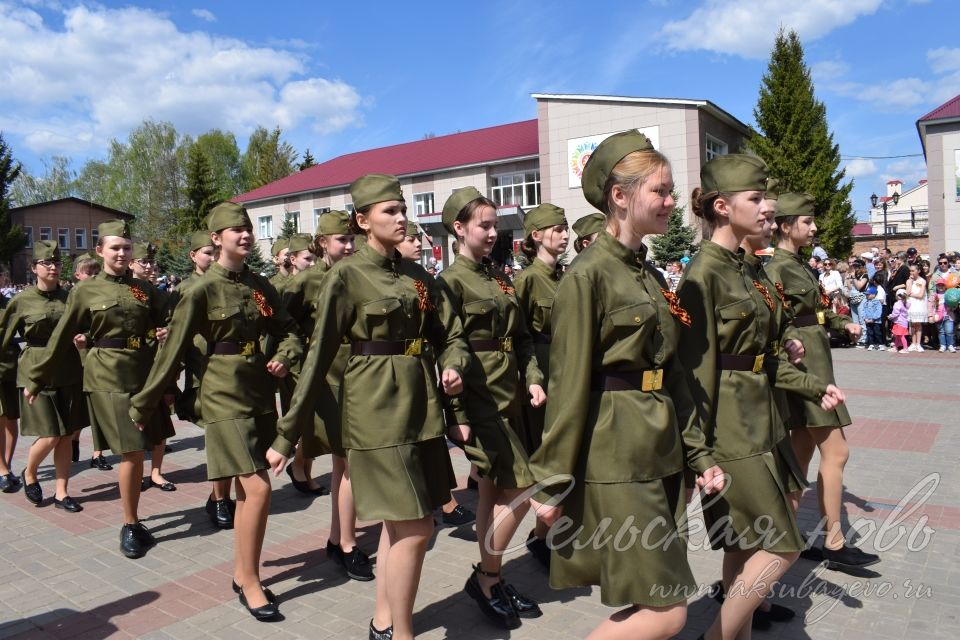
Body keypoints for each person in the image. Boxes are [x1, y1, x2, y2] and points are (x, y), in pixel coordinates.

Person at [529, 130, 723, 640]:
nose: (671, 201)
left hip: (659, 449)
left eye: (670, 190)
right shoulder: (587, 276)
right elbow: (567, 383)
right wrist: (551, 482)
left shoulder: (651, 274)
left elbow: (673, 372)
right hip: (616, 452)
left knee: (648, 598)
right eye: (659, 190)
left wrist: (699, 455)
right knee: (666, 611)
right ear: (621, 195)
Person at [267, 174, 469, 640]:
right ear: (363, 221)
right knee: (419, 526)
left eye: (403, 210)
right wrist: (287, 434)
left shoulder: (419, 276)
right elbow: (317, 357)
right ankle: (401, 633)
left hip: (422, 409)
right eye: (390, 212)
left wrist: (454, 364)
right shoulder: (346, 275)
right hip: (375, 411)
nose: (402, 218)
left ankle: (382, 622)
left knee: (402, 529)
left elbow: (450, 334)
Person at [679, 163, 846, 640]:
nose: (765, 211)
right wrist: (698, 451)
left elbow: (760, 357)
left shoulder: (745, 268)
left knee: (742, 544)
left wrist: (814, 385)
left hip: (764, 417)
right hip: (729, 428)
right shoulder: (702, 274)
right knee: (783, 546)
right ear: (722, 207)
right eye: (754, 199)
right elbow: (692, 371)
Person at [130, 202, 301, 620]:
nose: (244, 234)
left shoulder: (261, 286)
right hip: (222, 394)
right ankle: (251, 580)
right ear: (216, 238)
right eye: (234, 229)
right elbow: (173, 351)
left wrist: (284, 354)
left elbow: (290, 332)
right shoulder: (199, 289)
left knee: (248, 493)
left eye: (247, 228)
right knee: (259, 489)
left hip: (260, 392)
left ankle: (243, 574)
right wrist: (146, 401)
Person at [23, 220, 170, 559]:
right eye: (115, 247)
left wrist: (164, 332)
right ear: (100, 250)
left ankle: (134, 520)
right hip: (107, 377)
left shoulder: (143, 290)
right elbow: (61, 336)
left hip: (142, 374)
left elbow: (174, 315)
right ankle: (130, 523)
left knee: (141, 448)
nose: (121, 253)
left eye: (126, 248)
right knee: (132, 450)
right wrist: (38, 377)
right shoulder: (85, 291)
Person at [436, 187, 547, 630]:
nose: (491, 231)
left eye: (494, 224)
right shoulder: (450, 282)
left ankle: (493, 577)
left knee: (491, 493)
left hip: (511, 395)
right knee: (521, 491)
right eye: (483, 224)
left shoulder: (501, 277)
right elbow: (447, 350)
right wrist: (456, 417)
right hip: (478, 401)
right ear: (459, 229)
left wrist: (534, 378)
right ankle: (486, 576)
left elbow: (521, 338)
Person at [765, 193, 878, 573]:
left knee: (799, 456)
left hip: (816, 364)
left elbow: (814, 310)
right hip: (805, 371)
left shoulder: (796, 264)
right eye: (807, 221)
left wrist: (839, 323)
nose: (814, 228)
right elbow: (774, 322)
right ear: (785, 225)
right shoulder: (774, 267)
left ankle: (786, 535)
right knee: (837, 452)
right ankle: (834, 541)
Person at [279, 210, 377, 580]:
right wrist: (290, 355)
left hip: (361, 378)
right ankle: (346, 543)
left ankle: (339, 539)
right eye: (342, 240)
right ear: (322, 244)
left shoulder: (359, 274)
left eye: (353, 240)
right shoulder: (309, 281)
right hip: (331, 382)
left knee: (344, 463)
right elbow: (280, 321)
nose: (350, 246)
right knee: (348, 462)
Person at [397, 220, 475, 529]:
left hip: (422, 371)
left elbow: (446, 333)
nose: (418, 243)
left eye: (419, 238)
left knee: (431, 441)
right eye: (411, 239)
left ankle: (445, 501)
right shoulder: (356, 276)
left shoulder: (423, 278)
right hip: (384, 383)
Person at [0, 241, 86, 511]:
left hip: (69, 369)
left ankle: (61, 492)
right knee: (50, 434)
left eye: (57, 263)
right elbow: (2, 338)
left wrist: (86, 337)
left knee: (66, 434)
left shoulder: (71, 297)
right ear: (34, 267)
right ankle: (30, 472)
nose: (53, 267)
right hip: (36, 371)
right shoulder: (21, 300)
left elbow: (89, 325)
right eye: (47, 263)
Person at [171, 230, 236, 530]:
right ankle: (220, 498)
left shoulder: (230, 283)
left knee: (229, 438)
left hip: (232, 374)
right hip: (201, 372)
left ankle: (219, 496)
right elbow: (174, 338)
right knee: (219, 439)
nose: (211, 257)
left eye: (214, 251)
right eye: (205, 252)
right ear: (193, 256)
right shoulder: (185, 289)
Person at [128, 242, 176, 493]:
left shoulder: (157, 292)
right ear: (131, 263)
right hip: (131, 362)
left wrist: (167, 330)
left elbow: (170, 320)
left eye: (151, 262)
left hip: (155, 362)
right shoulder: (127, 289)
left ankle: (156, 472)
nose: (149, 266)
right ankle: (134, 472)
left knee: (160, 419)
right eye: (143, 262)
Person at [69, 255, 111, 472]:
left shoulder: (103, 294)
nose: (94, 276)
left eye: (96, 272)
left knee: (97, 407)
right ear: (77, 275)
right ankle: (74, 439)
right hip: (76, 358)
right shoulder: (74, 296)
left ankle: (98, 453)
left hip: (98, 356)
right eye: (89, 273)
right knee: (78, 408)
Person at [0, 291, 21, 494]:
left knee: (12, 418)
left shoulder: (11, 303)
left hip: (10, 367)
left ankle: (7, 464)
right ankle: (3, 470)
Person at [905, 263, 927, 352]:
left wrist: (912, 294)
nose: (911, 272)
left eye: (913, 271)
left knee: (918, 324)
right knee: (912, 324)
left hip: (919, 304)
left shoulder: (922, 281)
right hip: (911, 304)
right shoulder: (909, 281)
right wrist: (910, 282)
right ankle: (913, 343)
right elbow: (907, 292)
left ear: (918, 271)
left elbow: (921, 295)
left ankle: (918, 343)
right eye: (910, 271)